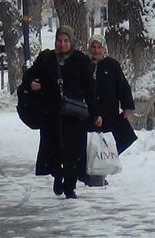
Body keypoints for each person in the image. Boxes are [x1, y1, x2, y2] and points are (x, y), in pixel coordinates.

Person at [22, 25, 101, 199]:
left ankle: (70, 185)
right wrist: (31, 84)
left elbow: (89, 89)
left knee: (73, 151)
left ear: (71, 42)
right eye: (59, 41)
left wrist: (96, 114)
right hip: (52, 113)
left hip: (74, 114)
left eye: (66, 41)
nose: (62, 44)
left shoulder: (80, 60)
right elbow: (28, 76)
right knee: (54, 148)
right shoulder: (47, 59)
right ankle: (58, 175)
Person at [85, 33, 137, 186]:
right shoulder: (85, 65)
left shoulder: (112, 65)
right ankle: (91, 173)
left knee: (123, 138)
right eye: (93, 47)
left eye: (99, 47)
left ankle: (104, 167)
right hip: (90, 115)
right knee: (91, 145)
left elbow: (122, 86)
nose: (96, 50)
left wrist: (127, 107)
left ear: (104, 48)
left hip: (110, 114)